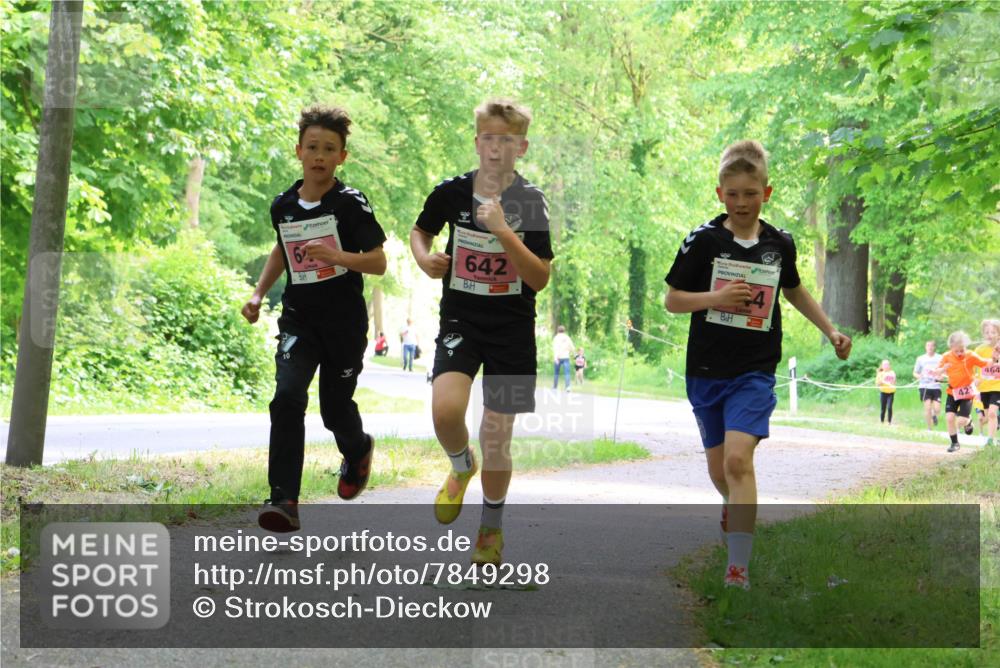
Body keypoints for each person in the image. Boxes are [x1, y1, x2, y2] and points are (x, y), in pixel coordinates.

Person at [664, 140, 851, 590]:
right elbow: (672, 300)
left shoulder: (779, 243)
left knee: (738, 460)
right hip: (706, 370)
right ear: (720, 193)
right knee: (719, 472)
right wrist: (716, 298)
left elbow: (795, 290)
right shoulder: (703, 241)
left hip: (755, 369)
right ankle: (735, 508)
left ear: (766, 193)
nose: (742, 202)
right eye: (733, 194)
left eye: (751, 193)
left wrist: (831, 330)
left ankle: (738, 570)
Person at [410, 98, 552, 566]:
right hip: (462, 321)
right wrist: (424, 258)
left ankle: (490, 529)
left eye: (507, 141)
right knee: (445, 411)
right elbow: (420, 232)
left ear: (522, 147)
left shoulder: (531, 203)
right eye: (488, 139)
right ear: (477, 143)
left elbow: (539, 277)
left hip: (513, 330)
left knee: (496, 436)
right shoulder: (451, 193)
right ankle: (459, 465)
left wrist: (503, 232)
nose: (496, 150)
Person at [241, 104, 387, 532]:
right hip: (299, 321)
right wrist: (258, 292)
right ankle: (284, 500)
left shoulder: (350, 204)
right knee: (287, 397)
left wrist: (337, 256)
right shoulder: (283, 205)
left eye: (329, 149)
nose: (319, 156)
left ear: (342, 156)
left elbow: (378, 262)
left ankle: (357, 450)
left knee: (334, 410)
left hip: (343, 325)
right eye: (312, 147)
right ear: (299, 151)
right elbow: (281, 250)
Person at [932, 330, 989, 453]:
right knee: (949, 418)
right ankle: (954, 443)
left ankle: (968, 422)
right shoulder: (946, 356)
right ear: (951, 347)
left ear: (965, 347)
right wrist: (942, 370)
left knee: (961, 420)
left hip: (967, 392)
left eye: (961, 350)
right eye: (956, 351)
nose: (959, 353)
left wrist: (995, 360)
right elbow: (937, 373)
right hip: (952, 392)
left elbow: (985, 364)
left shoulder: (971, 355)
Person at [974, 319, 1000, 447]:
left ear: (998, 334)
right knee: (987, 415)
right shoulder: (979, 350)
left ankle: (990, 440)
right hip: (984, 388)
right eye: (987, 332)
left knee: (992, 413)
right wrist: (975, 378)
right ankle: (993, 433)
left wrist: (996, 359)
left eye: (993, 332)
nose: (990, 335)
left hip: (998, 386)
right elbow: (972, 366)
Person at [913, 340, 943, 430]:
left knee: (937, 409)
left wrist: (941, 377)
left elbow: (943, 371)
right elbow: (914, 372)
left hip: (936, 386)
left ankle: (934, 415)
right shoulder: (920, 358)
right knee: (928, 407)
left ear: (934, 347)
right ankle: (929, 428)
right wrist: (919, 376)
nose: (930, 347)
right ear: (925, 347)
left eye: (931, 346)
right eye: (928, 346)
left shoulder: (940, 358)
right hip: (924, 386)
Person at [552, 325, 574, 391]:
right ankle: (568, 387)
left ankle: (555, 387)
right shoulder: (567, 338)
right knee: (567, 373)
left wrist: (555, 358)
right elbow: (572, 348)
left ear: (558, 331)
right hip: (566, 357)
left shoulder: (556, 338)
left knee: (556, 373)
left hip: (558, 357)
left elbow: (555, 348)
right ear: (564, 331)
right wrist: (568, 350)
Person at [875, 359, 896, 425]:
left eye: (887, 364)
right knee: (883, 408)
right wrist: (881, 382)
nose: (886, 366)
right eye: (884, 364)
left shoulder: (892, 373)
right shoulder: (880, 374)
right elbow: (877, 384)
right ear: (882, 366)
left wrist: (889, 382)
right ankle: (882, 421)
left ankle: (889, 422)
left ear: (889, 366)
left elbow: (893, 382)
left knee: (889, 407)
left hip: (891, 393)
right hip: (883, 392)